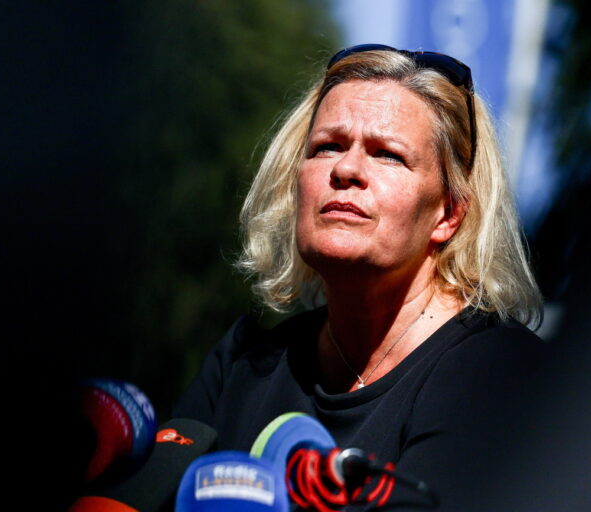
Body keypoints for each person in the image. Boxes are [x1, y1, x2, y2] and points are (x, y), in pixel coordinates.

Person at [174, 44, 545, 510]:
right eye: (326, 146)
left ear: (447, 214)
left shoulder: (497, 373)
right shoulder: (243, 366)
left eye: (388, 154)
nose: (346, 170)